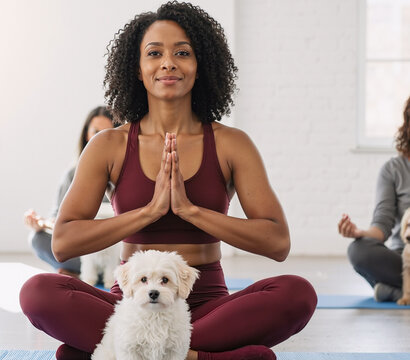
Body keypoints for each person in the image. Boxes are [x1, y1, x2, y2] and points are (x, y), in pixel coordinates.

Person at [19, 2, 317, 360]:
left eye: (182, 52)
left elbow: (277, 242)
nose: (168, 63)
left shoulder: (231, 143)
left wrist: (190, 210)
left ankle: (146, 353)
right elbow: (63, 244)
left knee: (297, 293)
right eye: (154, 53)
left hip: (206, 305)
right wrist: (148, 212)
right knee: (37, 291)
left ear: (200, 65)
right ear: (137, 68)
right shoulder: (108, 145)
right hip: (131, 305)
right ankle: (205, 356)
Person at [23, 106, 115, 277]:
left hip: (115, 249)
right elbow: (57, 218)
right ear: (87, 134)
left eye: (106, 133)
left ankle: (79, 273)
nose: (99, 139)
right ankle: (81, 272)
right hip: (83, 249)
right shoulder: (72, 174)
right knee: (38, 239)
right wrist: (41, 223)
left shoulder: (123, 174)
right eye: (95, 132)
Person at [339, 95, 410, 302]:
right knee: (359, 250)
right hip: (404, 261)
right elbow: (381, 226)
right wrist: (360, 232)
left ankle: (395, 292)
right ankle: (403, 289)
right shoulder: (393, 170)